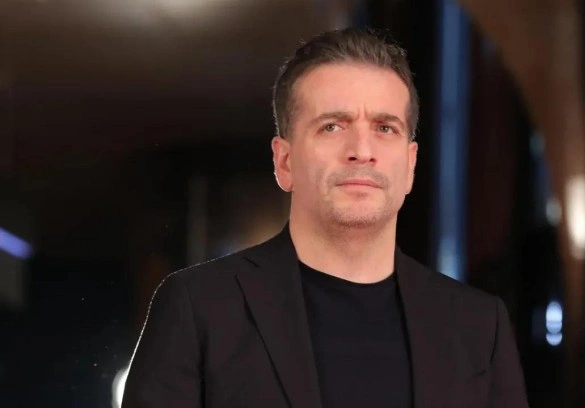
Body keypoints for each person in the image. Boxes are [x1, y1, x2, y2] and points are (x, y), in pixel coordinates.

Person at [122, 27, 528, 408]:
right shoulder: (199, 307)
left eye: (385, 128)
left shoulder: (479, 327)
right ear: (284, 162)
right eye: (332, 126)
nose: (361, 151)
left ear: (410, 165)